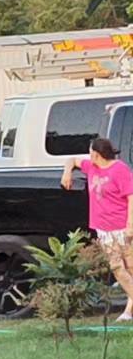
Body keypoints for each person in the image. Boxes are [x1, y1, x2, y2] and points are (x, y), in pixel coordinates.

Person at [62, 137, 133, 321]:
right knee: (117, 268)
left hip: (122, 226)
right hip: (104, 229)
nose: (88, 155)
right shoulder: (91, 167)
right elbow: (72, 160)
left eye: (90, 151)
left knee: (131, 268)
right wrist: (67, 172)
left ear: (96, 153)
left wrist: (130, 226)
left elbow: (131, 197)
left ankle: (128, 312)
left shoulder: (119, 169)